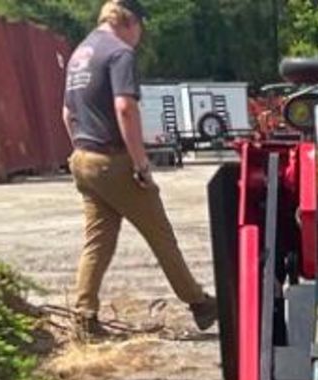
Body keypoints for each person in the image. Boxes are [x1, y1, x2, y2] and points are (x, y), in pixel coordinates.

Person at [63, 1, 217, 337]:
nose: (140, 36)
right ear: (128, 21)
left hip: (83, 158)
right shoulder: (119, 53)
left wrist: (81, 148)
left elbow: (67, 113)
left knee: (98, 242)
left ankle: (84, 316)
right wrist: (140, 163)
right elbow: (125, 108)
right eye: (140, 28)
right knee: (161, 235)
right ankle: (200, 304)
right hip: (113, 161)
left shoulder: (80, 53)